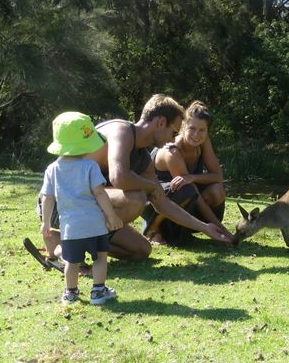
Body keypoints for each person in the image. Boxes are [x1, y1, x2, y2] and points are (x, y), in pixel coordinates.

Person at [40, 94, 230, 262]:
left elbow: (162, 203)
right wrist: (150, 186)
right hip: (62, 204)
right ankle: (72, 247)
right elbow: (119, 177)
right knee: (136, 198)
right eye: (173, 132)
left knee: (141, 250)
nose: (173, 139)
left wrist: (205, 227)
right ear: (161, 122)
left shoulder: (144, 160)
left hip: (90, 209)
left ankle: (60, 240)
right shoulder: (120, 131)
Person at [40, 112, 123, 304]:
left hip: (71, 228)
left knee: (72, 261)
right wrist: (111, 215)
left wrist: (45, 222)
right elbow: (100, 193)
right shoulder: (90, 166)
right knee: (100, 257)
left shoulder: (52, 169)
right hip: (94, 224)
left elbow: (47, 197)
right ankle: (98, 292)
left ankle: (70, 293)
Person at [142, 100, 233, 245]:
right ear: (183, 126)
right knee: (186, 188)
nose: (196, 135)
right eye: (192, 128)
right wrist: (222, 230)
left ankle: (187, 229)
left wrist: (192, 177)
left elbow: (218, 177)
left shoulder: (203, 142)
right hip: (154, 203)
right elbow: (193, 193)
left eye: (202, 130)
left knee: (217, 189)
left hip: (186, 198)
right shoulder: (172, 151)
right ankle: (153, 229)